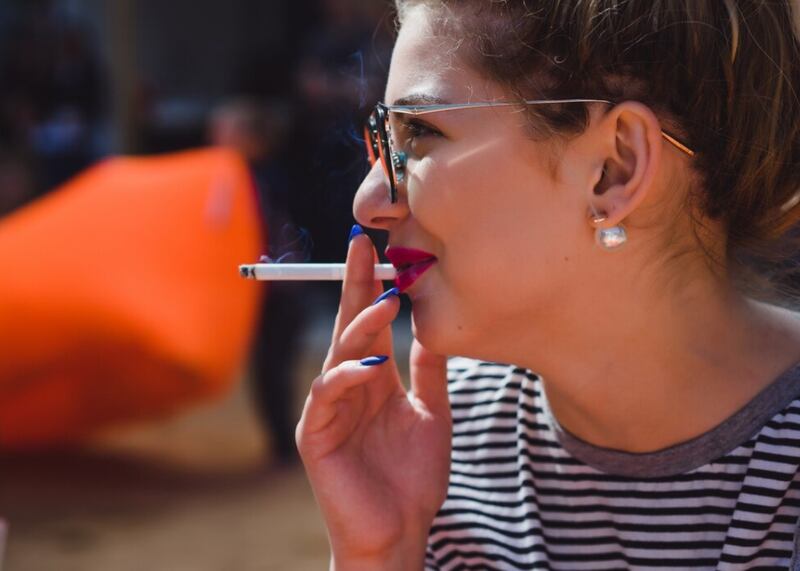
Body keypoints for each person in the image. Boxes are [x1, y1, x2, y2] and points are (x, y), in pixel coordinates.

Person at [295, 0, 800, 569]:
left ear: (616, 168)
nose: (369, 202)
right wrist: (381, 552)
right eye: (382, 136)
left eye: (421, 132)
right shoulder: (441, 439)